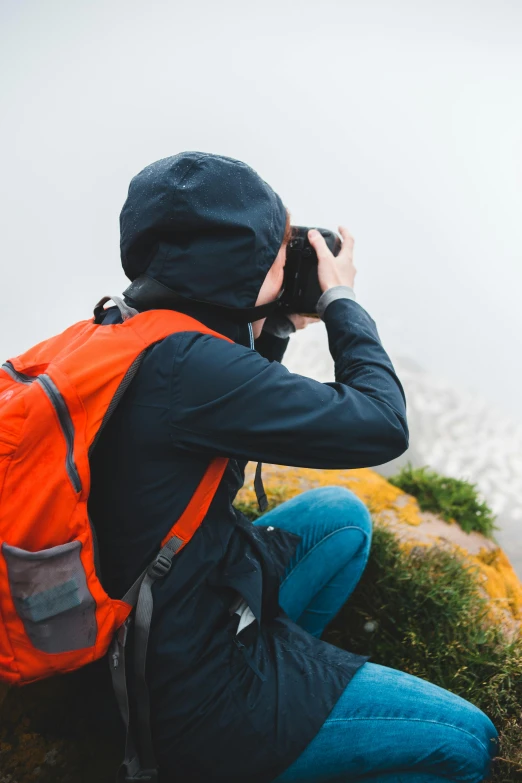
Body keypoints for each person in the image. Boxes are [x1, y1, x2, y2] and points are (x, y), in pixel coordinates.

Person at [88, 151, 499, 782]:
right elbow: (381, 423)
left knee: (339, 518)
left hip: (179, 609)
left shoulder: (131, 327)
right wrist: (340, 300)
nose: (290, 261)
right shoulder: (192, 368)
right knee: (465, 741)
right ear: (238, 257)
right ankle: (273, 726)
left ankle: (296, 682)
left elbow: (228, 410)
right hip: (195, 697)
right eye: (279, 249)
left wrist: (274, 325)